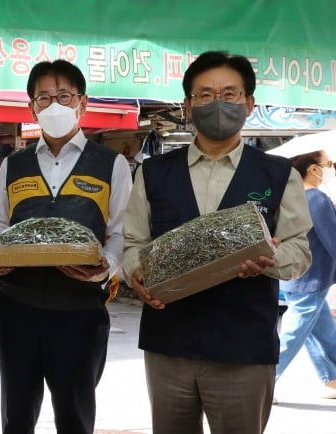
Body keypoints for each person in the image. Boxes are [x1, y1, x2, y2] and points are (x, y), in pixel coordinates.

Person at [123, 51, 312, 434]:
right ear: (189, 106)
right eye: (205, 95)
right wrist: (135, 272)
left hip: (244, 347)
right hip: (168, 344)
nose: (218, 102)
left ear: (249, 103)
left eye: (230, 93)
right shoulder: (154, 173)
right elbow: (133, 242)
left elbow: (299, 249)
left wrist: (269, 258)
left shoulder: (277, 174)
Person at [0, 59, 132, 434]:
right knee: (16, 414)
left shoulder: (111, 164)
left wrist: (108, 266)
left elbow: (121, 233)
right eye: (44, 98)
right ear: (31, 106)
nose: (54, 106)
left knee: (74, 415)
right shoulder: (13, 164)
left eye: (63, 96)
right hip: (17, 307)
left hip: (79, 310)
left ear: (81, 103)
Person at [276, 150, 336, 399]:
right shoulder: (317, 199)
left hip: (297, 275)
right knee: (292, 334)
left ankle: (332, 377)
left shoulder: (293, 197)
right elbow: (332, 239)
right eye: (328, 164)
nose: (330, 168)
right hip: (313, 277)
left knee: (322, 331)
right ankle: (264, 380)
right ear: (313, 169)